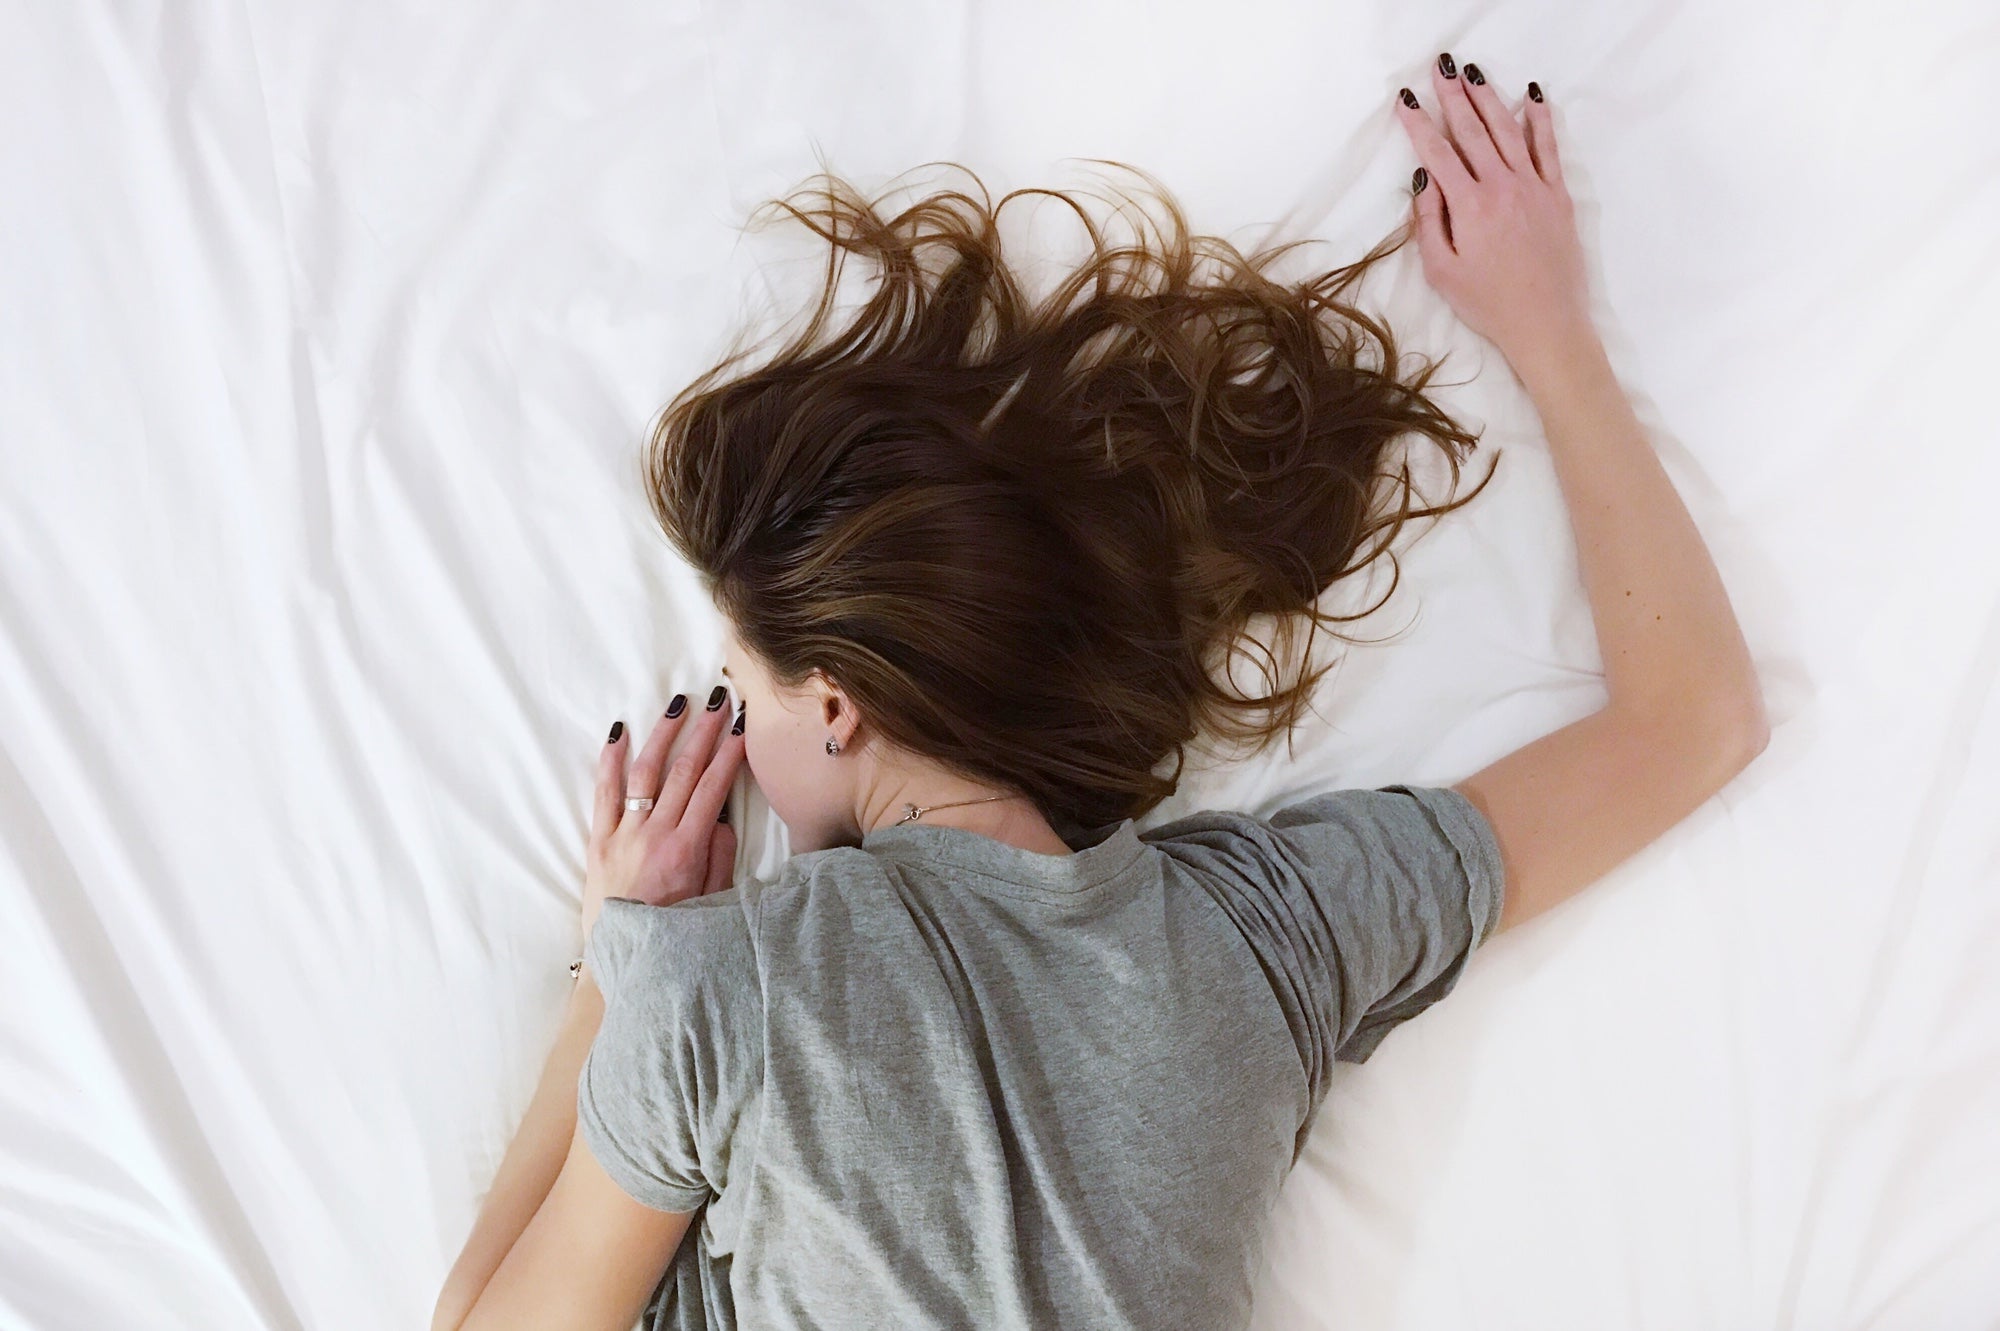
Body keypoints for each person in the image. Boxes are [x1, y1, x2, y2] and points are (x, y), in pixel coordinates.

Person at [435, 51, 1768, 1331]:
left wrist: (617, 957)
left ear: (835, 705)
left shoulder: (720, 991)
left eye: (744, 687)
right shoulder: (1268, 936)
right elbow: (1692, 722)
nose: (732, 721)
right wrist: (1550, 337)